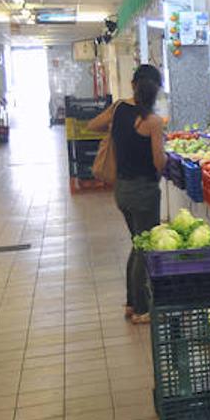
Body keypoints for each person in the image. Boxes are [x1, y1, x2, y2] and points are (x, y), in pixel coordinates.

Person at [88, 65, 166, 323]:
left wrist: (115, 132)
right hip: (143, 191)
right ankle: (143, 309)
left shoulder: (119, 108)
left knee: (137, 244)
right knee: (143, 248)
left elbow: (93, 125)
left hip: (121, 189)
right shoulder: (153, 122)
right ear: (156, 90)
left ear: (134, 84)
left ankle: (131, 303)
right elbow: (158, 162)